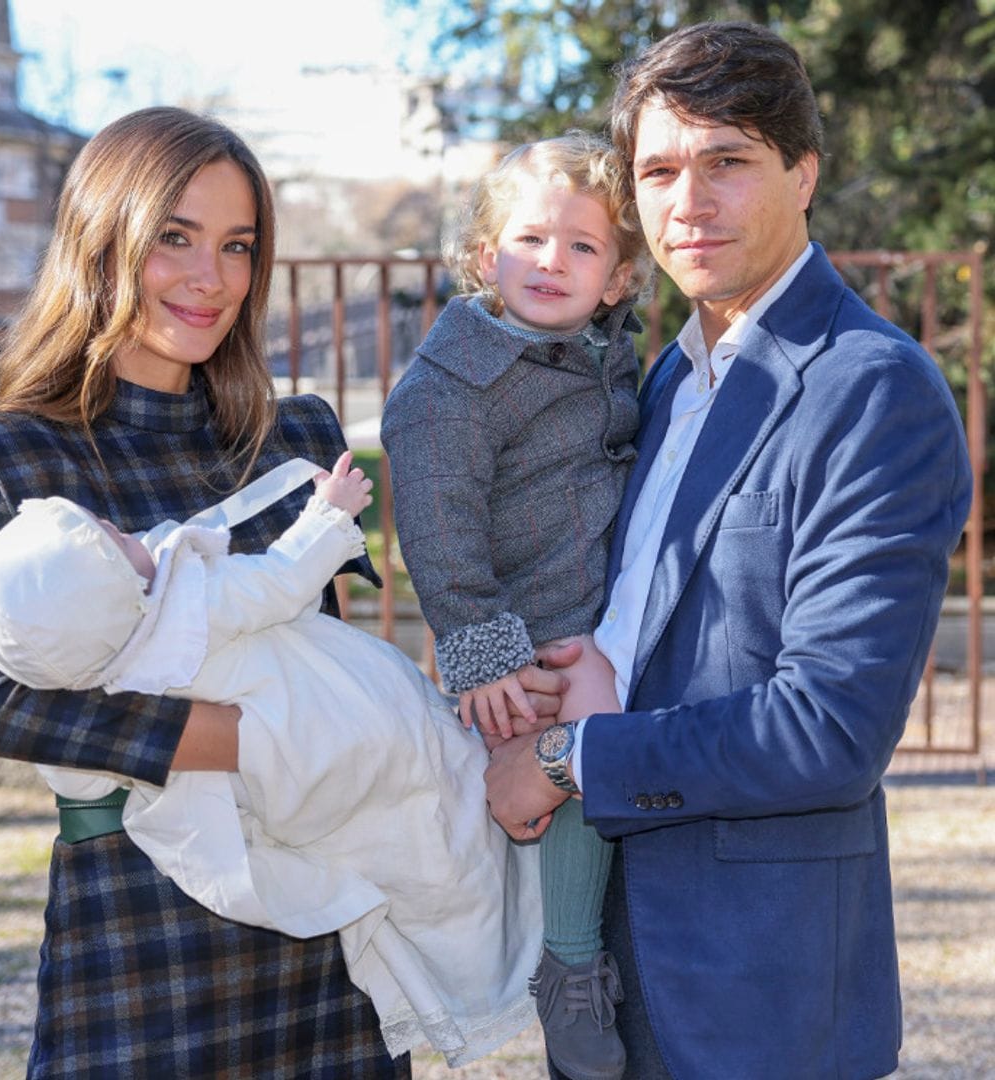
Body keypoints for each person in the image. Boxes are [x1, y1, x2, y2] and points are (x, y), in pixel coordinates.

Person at [483, 20, 972, 1080]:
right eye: (658, 170)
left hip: (762, 994)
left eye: (728, 162)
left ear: (803, 172)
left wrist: (570, 761)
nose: (687, 203)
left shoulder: (872, 390)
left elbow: (830, 725)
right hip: (606, 962)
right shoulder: (667, 378)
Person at [0, 106, 409, 1078]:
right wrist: (238, 738)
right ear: (105, 238)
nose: (211, 278)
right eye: (173, 239)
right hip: (138, 940)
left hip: (325, 926)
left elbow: (326, 662)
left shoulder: (294, 440)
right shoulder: (17, 448)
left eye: (238, 246)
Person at [0, 453, 542, 1067]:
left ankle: (479, 960)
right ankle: (531, 943)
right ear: (112, 594)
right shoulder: (184, 610)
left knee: (407, 859)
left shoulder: (113, 665)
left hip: (314, 780)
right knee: (447, 831)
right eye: (114, 539)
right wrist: (330, 514)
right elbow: (280, 579)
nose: (120, 525)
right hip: (363, 725)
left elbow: (77, 769)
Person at [381, 130, 646, 1080]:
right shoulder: (454, 384)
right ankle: (570, 970)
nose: (552, 262)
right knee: (585, 741)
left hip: (605, 617)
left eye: (583, 247)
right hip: (533, 640)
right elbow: (436, 522)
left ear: (617, 279)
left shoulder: (609, 362)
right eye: (530, 238)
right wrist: (484, 649)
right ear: (484, 252)